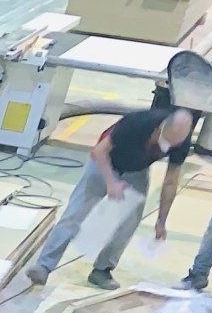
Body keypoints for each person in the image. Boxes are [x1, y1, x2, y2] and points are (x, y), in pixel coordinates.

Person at [27, 106, 194, 290]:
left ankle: (102, 270)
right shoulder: (138, 122)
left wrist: (161, 221)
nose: (166, 148)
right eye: (164, 142)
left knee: (128, 222)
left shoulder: (180, 142)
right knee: (76, 213)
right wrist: (111, 182)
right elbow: (99, 151)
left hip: (136, 170)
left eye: (171, 145)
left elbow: (170, 182)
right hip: (104, 162)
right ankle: (44, 265)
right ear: (159, 128)